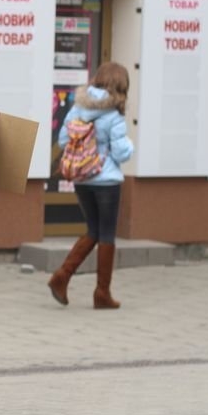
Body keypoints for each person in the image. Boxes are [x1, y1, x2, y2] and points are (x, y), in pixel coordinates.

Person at [47, 62, 134, 309]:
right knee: (106, 233)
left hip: (82, 178)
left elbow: (63, 140)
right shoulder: (114, 114)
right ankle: (102, 293)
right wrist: (130, 145)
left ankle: (62, 276)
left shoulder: (78, 107)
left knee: (93, 230)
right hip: (106, 180)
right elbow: (121, 153)